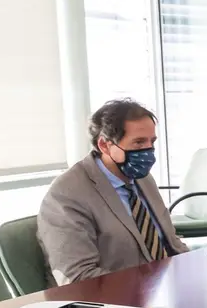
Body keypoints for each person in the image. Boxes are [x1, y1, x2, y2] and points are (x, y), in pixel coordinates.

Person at [38, 99, 189, 284]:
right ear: (104, 145)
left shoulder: (142, 178)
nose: (148, 151)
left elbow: (171, 243)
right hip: (119, 295)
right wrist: (146, 287)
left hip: (165, 284)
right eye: (139, 142)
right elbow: (79, 277)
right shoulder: (66, 194)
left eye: (152, 141)